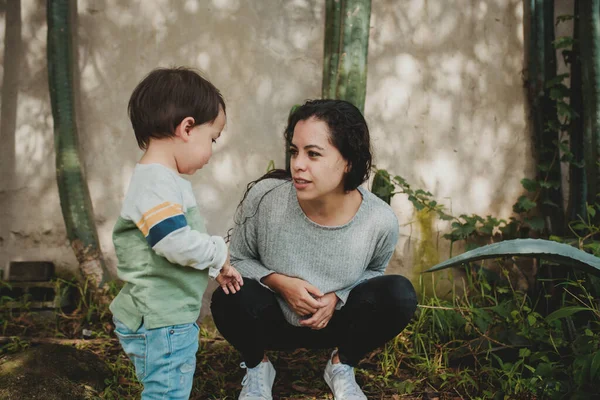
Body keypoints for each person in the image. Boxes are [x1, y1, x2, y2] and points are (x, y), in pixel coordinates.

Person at [211, 99, 418, 400]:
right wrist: (279, 283)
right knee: (228, 298)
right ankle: (258, 368)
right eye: (295, 151)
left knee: (400, 294)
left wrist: (338, 297)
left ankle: (341, 365)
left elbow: (374, 273)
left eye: (313, 154)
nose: (297, 164)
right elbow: (239, 260)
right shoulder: (265, 199)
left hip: (335, 322)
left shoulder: (379, 219)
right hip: (273, 319)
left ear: (348, 160)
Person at [110, 67, 243, 400]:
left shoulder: (160, 179)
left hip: (160, 315)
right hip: (163, 321)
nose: (211, 153)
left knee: (162, 389)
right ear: (187, 128)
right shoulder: (157, 181)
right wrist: (219, 253)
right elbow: (173, 242)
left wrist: (216, 268)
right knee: (166, 394)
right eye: (212, 138)